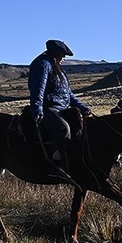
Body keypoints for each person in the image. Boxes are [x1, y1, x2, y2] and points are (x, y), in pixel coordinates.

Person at [28, 39, 92, 177]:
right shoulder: (43, 64)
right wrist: (37, 110)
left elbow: (68, 95)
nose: (64, 58)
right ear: (55, 53)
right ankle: (55, 166)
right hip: (48, 107)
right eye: (63, 55)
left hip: (62, 108)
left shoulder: (58, 68)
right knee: (63, 129)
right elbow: (38, 89)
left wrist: (83, 108)